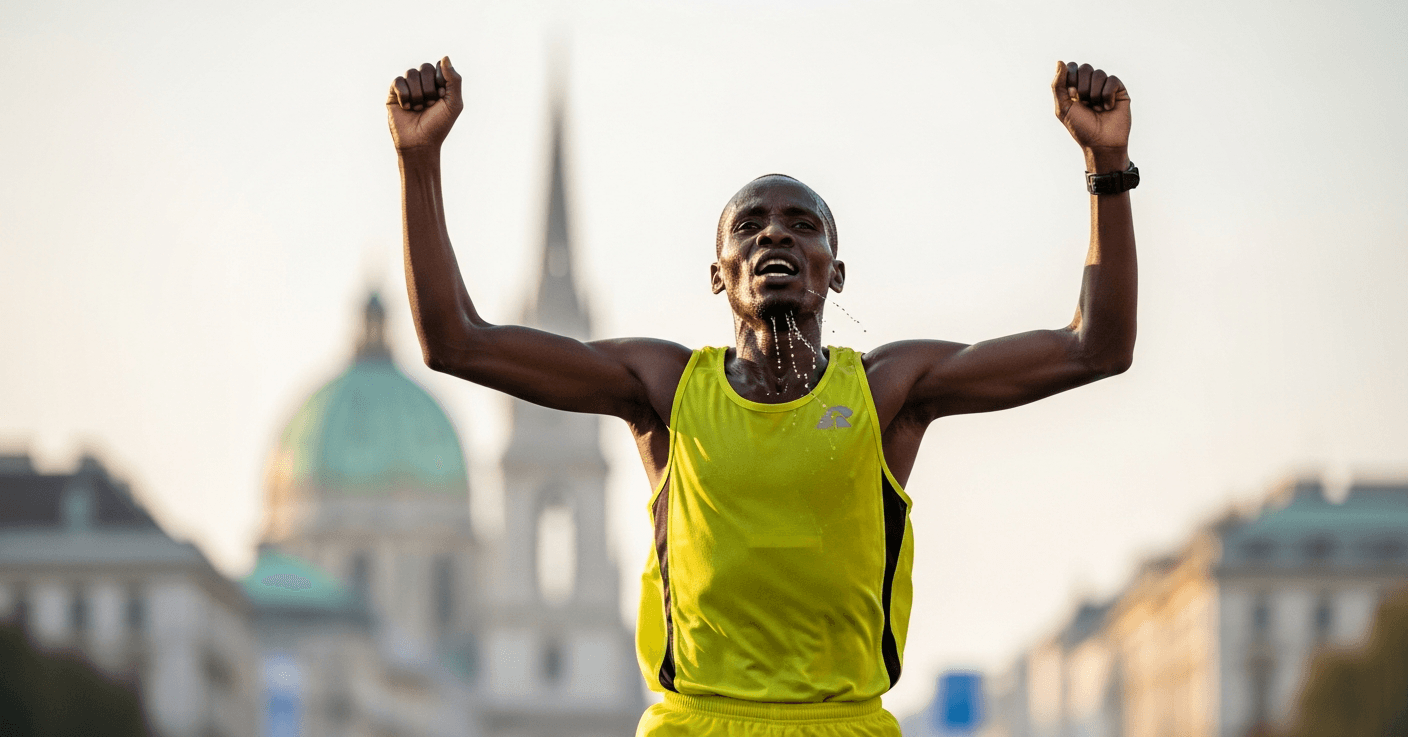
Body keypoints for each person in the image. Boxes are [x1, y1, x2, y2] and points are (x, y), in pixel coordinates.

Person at [387, 56, 1136, 737]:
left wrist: (1107, 164)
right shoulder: (665, 389)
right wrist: (418, 161)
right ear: (720, 273)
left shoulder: (888, 389)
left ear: (834, 273)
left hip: (844, 724)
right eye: (749, 226)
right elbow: (457, 342)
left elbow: (1095, 348)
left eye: (801, 225)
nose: (774, 234)